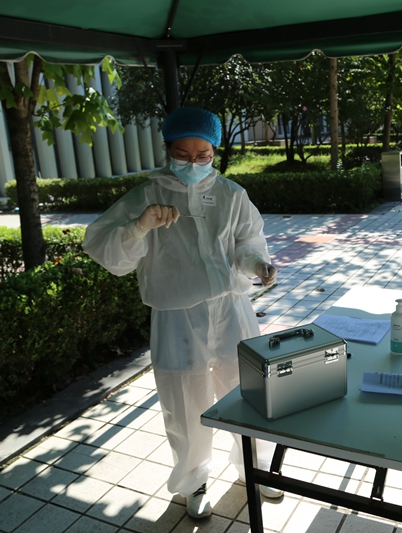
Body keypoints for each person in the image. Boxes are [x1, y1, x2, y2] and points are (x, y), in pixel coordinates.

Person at [82, 106, 281, 519]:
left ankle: (256, 467)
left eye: (202, 155)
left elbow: (247, 242)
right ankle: (194, 483)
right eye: (182, 155)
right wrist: (138, 227)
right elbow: (105, 250)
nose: (193, 163)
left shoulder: (231, 194)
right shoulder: (146, 195)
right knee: (185, 403)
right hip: (175, 314)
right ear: (167, 150)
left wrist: (258, 265)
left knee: (250, 391)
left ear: (214, 151)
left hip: (230, 309)